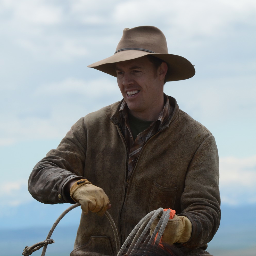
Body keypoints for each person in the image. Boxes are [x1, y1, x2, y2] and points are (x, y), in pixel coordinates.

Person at [28, 26, 220, 256]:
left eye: (136, 71)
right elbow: (41, 173)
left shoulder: (197, 140)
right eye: (120, 73)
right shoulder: (91, 128)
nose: (125, 81)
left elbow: (205, 213)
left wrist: (181, 228)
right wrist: (74, 186)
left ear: (162, 71)